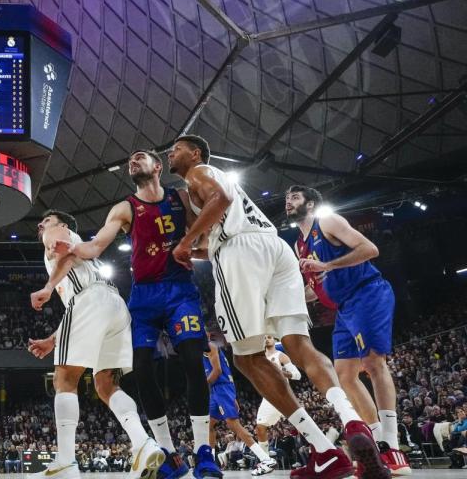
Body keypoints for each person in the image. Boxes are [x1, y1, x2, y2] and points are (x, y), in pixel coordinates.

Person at [166, 134, 387, 479]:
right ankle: (351, 421)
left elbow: (220, 203)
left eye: (177, 148)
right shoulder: (218, 185)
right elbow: (215, 233)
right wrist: (188, 252)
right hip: (275, 248)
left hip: (240, 255)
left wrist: (183, 242)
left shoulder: (199, 172)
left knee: (246, 357)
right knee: (299, 344)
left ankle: (324, 447)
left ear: (195, 153)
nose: (171, 153)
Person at [54, 150, 221, 479]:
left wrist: (194, 248)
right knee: (141, 369)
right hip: (144, 296)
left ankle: (204, 451)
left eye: (140, 158)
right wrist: (73, 249)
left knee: (191, 359)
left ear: (158, 167)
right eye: (129, 160)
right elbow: (96, 245)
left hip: (178, 290)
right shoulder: (125, 208)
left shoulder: (181, 197)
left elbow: (204, 230)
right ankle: (169, 454)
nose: (133, 161)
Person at [29, 209, 164, 479]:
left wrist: (47, 286)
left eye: (47, 221)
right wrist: (54, 339)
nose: (42, 225)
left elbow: (68, 259)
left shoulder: (56, 234)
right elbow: (82, 302)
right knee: (105, 385)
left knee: (64, 379)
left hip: (89, 300)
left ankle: (65, 463)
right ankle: (143, 443)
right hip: (113, 305)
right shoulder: (76, 241)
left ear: (62, 224)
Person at [285, 185, 409, 476]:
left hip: (366, 293)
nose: (289, 202)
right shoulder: (298, 245)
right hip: (343, 308)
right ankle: (378, 442)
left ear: (311, 204)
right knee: (344, 376)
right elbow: (315, 291)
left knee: (373, 363)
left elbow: (370, 249)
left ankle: (393, 445)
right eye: (287, 199)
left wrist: (327, 263)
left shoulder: (328, 221)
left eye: (295, 197)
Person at [205, 338, 276, 475]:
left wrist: (202, 385)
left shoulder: (209, 346)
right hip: (217, 390)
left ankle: (266, 459)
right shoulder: (202, 350)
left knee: (234, 425)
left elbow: (218, 371)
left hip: (221, 388)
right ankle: (212, 463)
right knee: (209, 424)